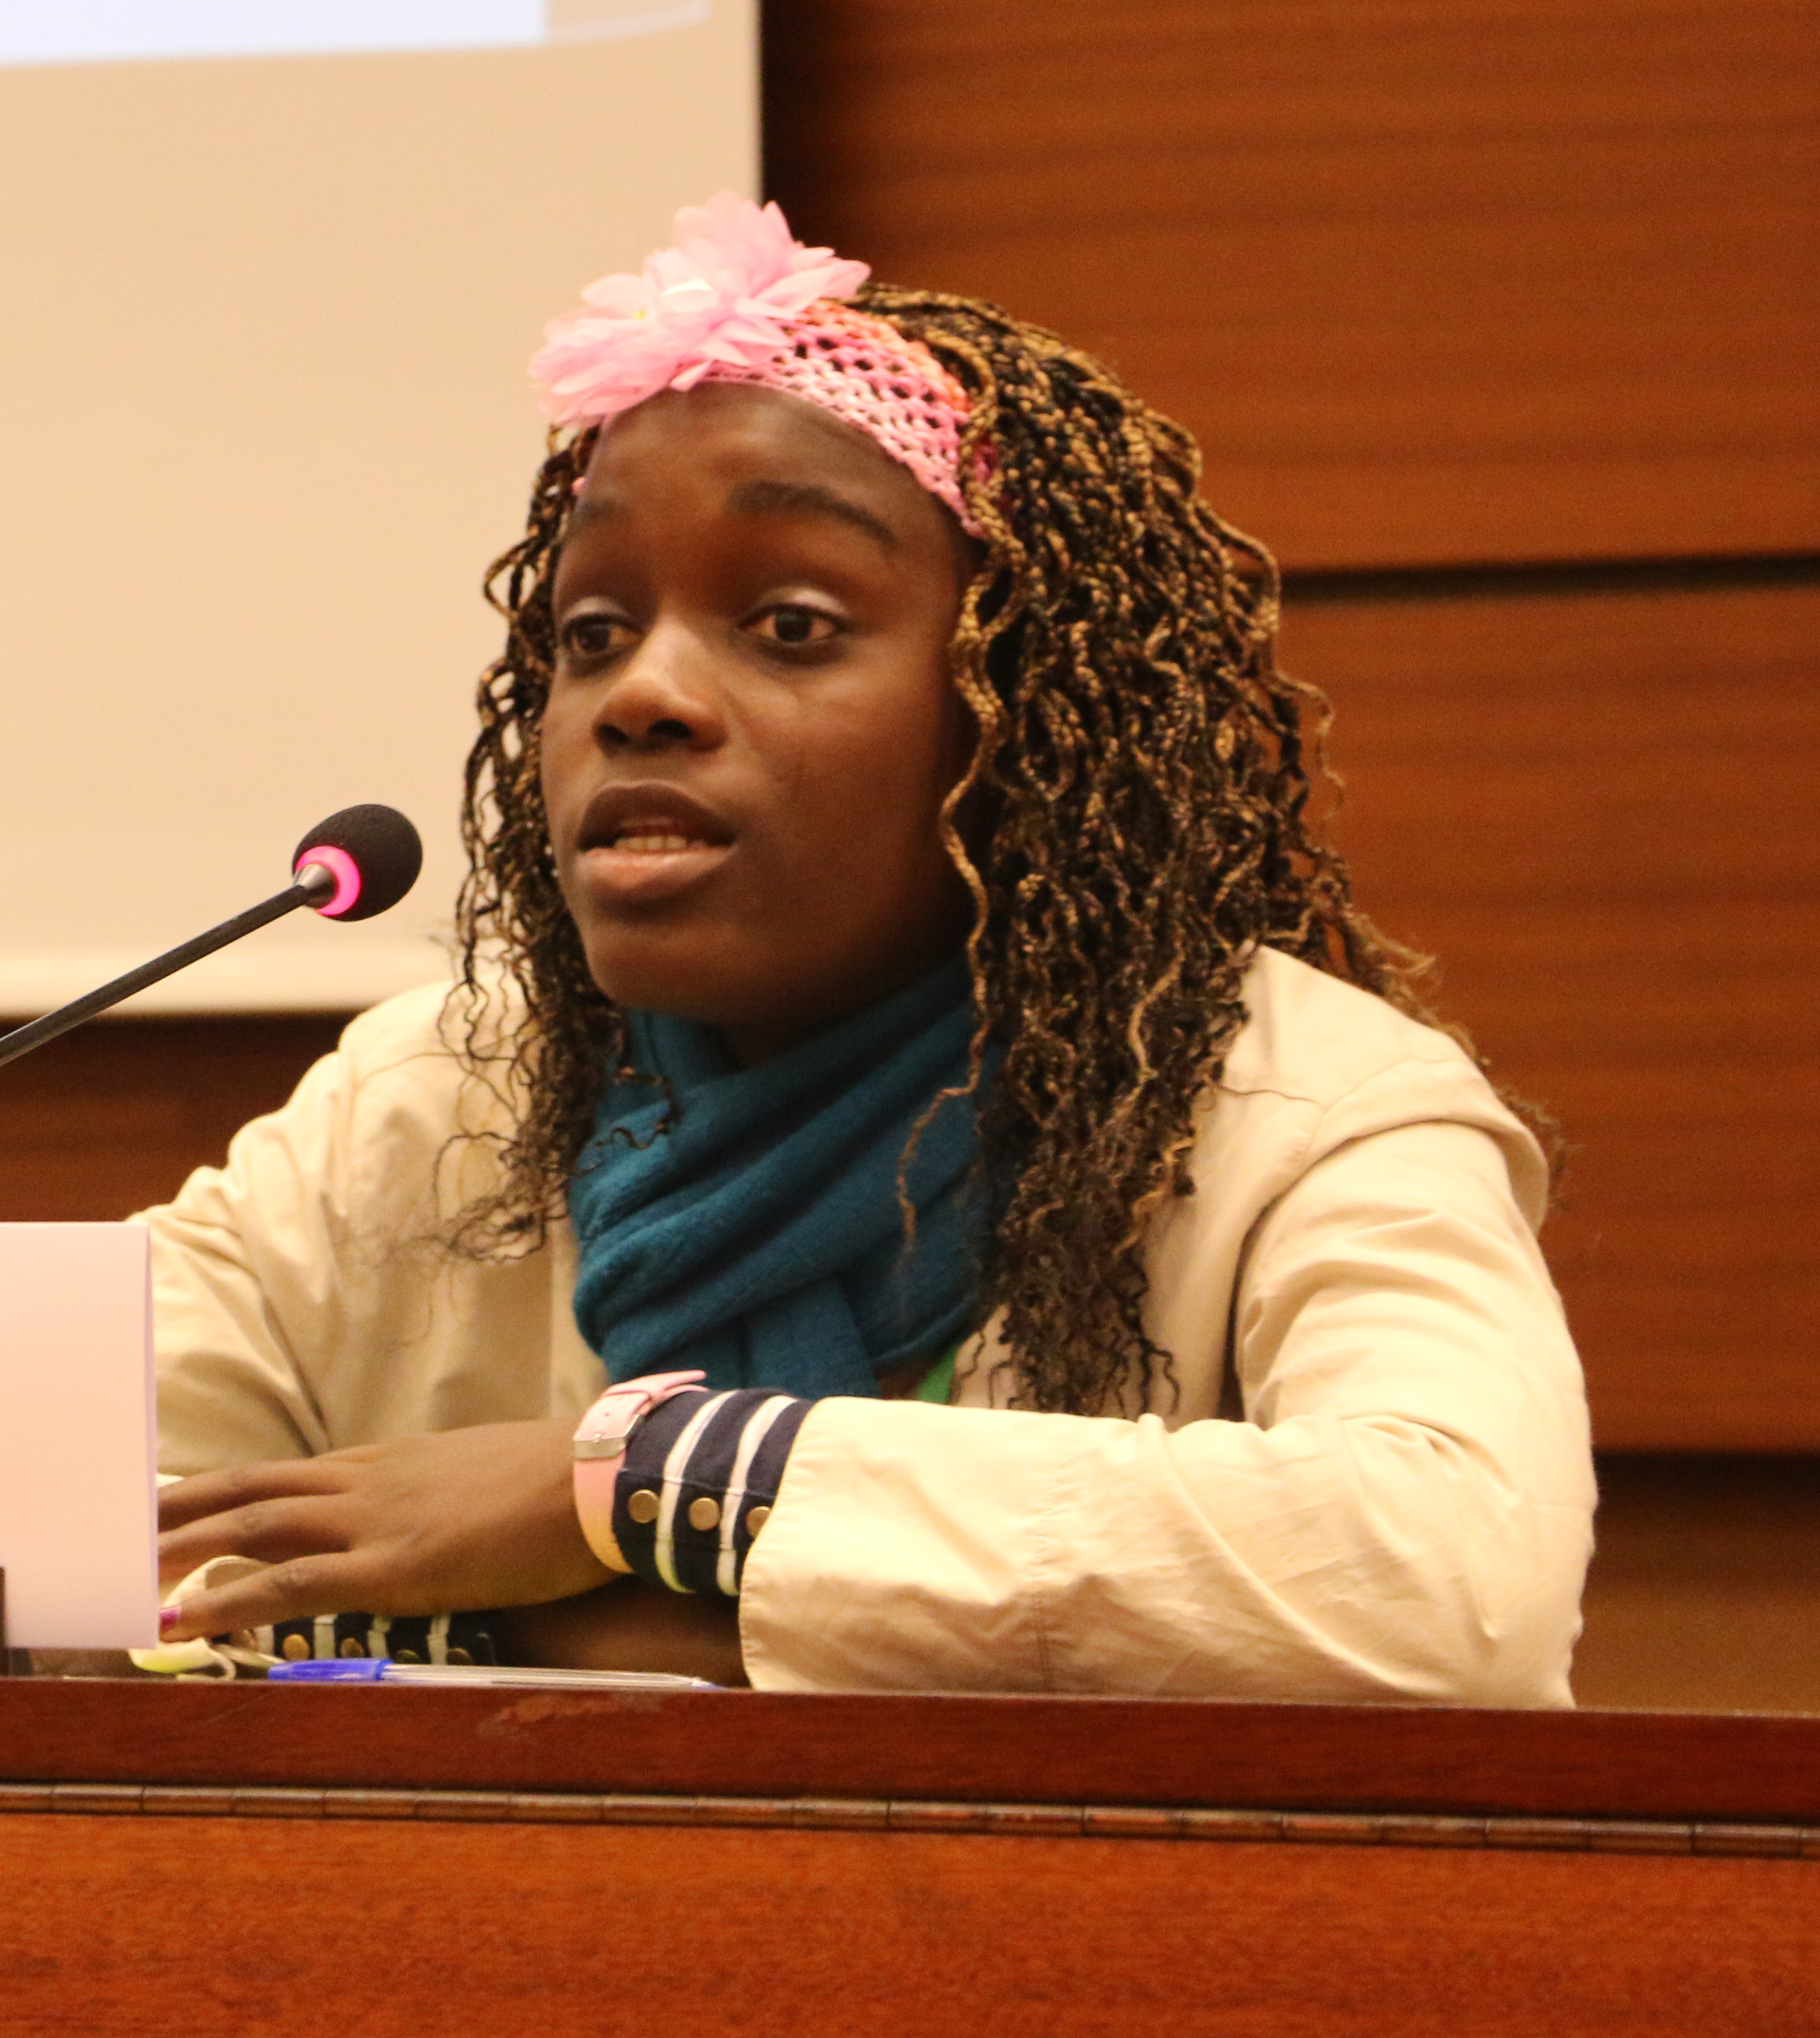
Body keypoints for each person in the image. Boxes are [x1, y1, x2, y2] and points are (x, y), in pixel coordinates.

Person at [146, 194, 1592, 1701]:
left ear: (1021, 718)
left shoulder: (1297, 1109)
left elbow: (1454, 1586)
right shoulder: (435, 1095)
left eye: (790, 623)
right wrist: (566, 1637)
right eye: (591, 632)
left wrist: (646, 1482)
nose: (640, 695)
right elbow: (55, 1513)